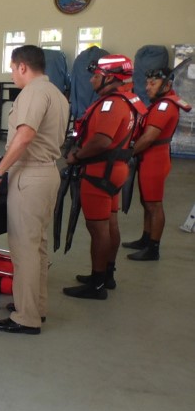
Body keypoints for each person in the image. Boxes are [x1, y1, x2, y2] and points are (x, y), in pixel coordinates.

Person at [0, 45, 69, 334]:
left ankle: (26, 317)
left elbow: (24, 137)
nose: (11, 74)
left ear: (23, 67)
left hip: (30, 176)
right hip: (47, 173)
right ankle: (35, 306)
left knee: (24, 248)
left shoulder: (33, 93)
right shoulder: (56, 94)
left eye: (12, 68)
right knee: (38, 245)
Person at [63, 55, 146, 299]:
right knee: (109, 224)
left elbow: (101, 140)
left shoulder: (112, 104)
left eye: (96, 76)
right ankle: (106, 275)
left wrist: (76, 156)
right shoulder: (128, 100)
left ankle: (97, 284)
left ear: (110, 77)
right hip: (115, 170)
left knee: (97, 228)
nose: (91, 81)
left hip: (100, 172)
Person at [123, 67, 191, 261]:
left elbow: (149, 138)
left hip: (155, 159)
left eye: (153, 83)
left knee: (154, 204)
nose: (147, 87)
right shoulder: (160, 103)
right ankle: (146, 238)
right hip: (151, 158)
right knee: (146, 202)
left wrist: (127, 153)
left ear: (167, 85)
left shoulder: (164, 107)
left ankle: (153, 248)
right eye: (147, 83)